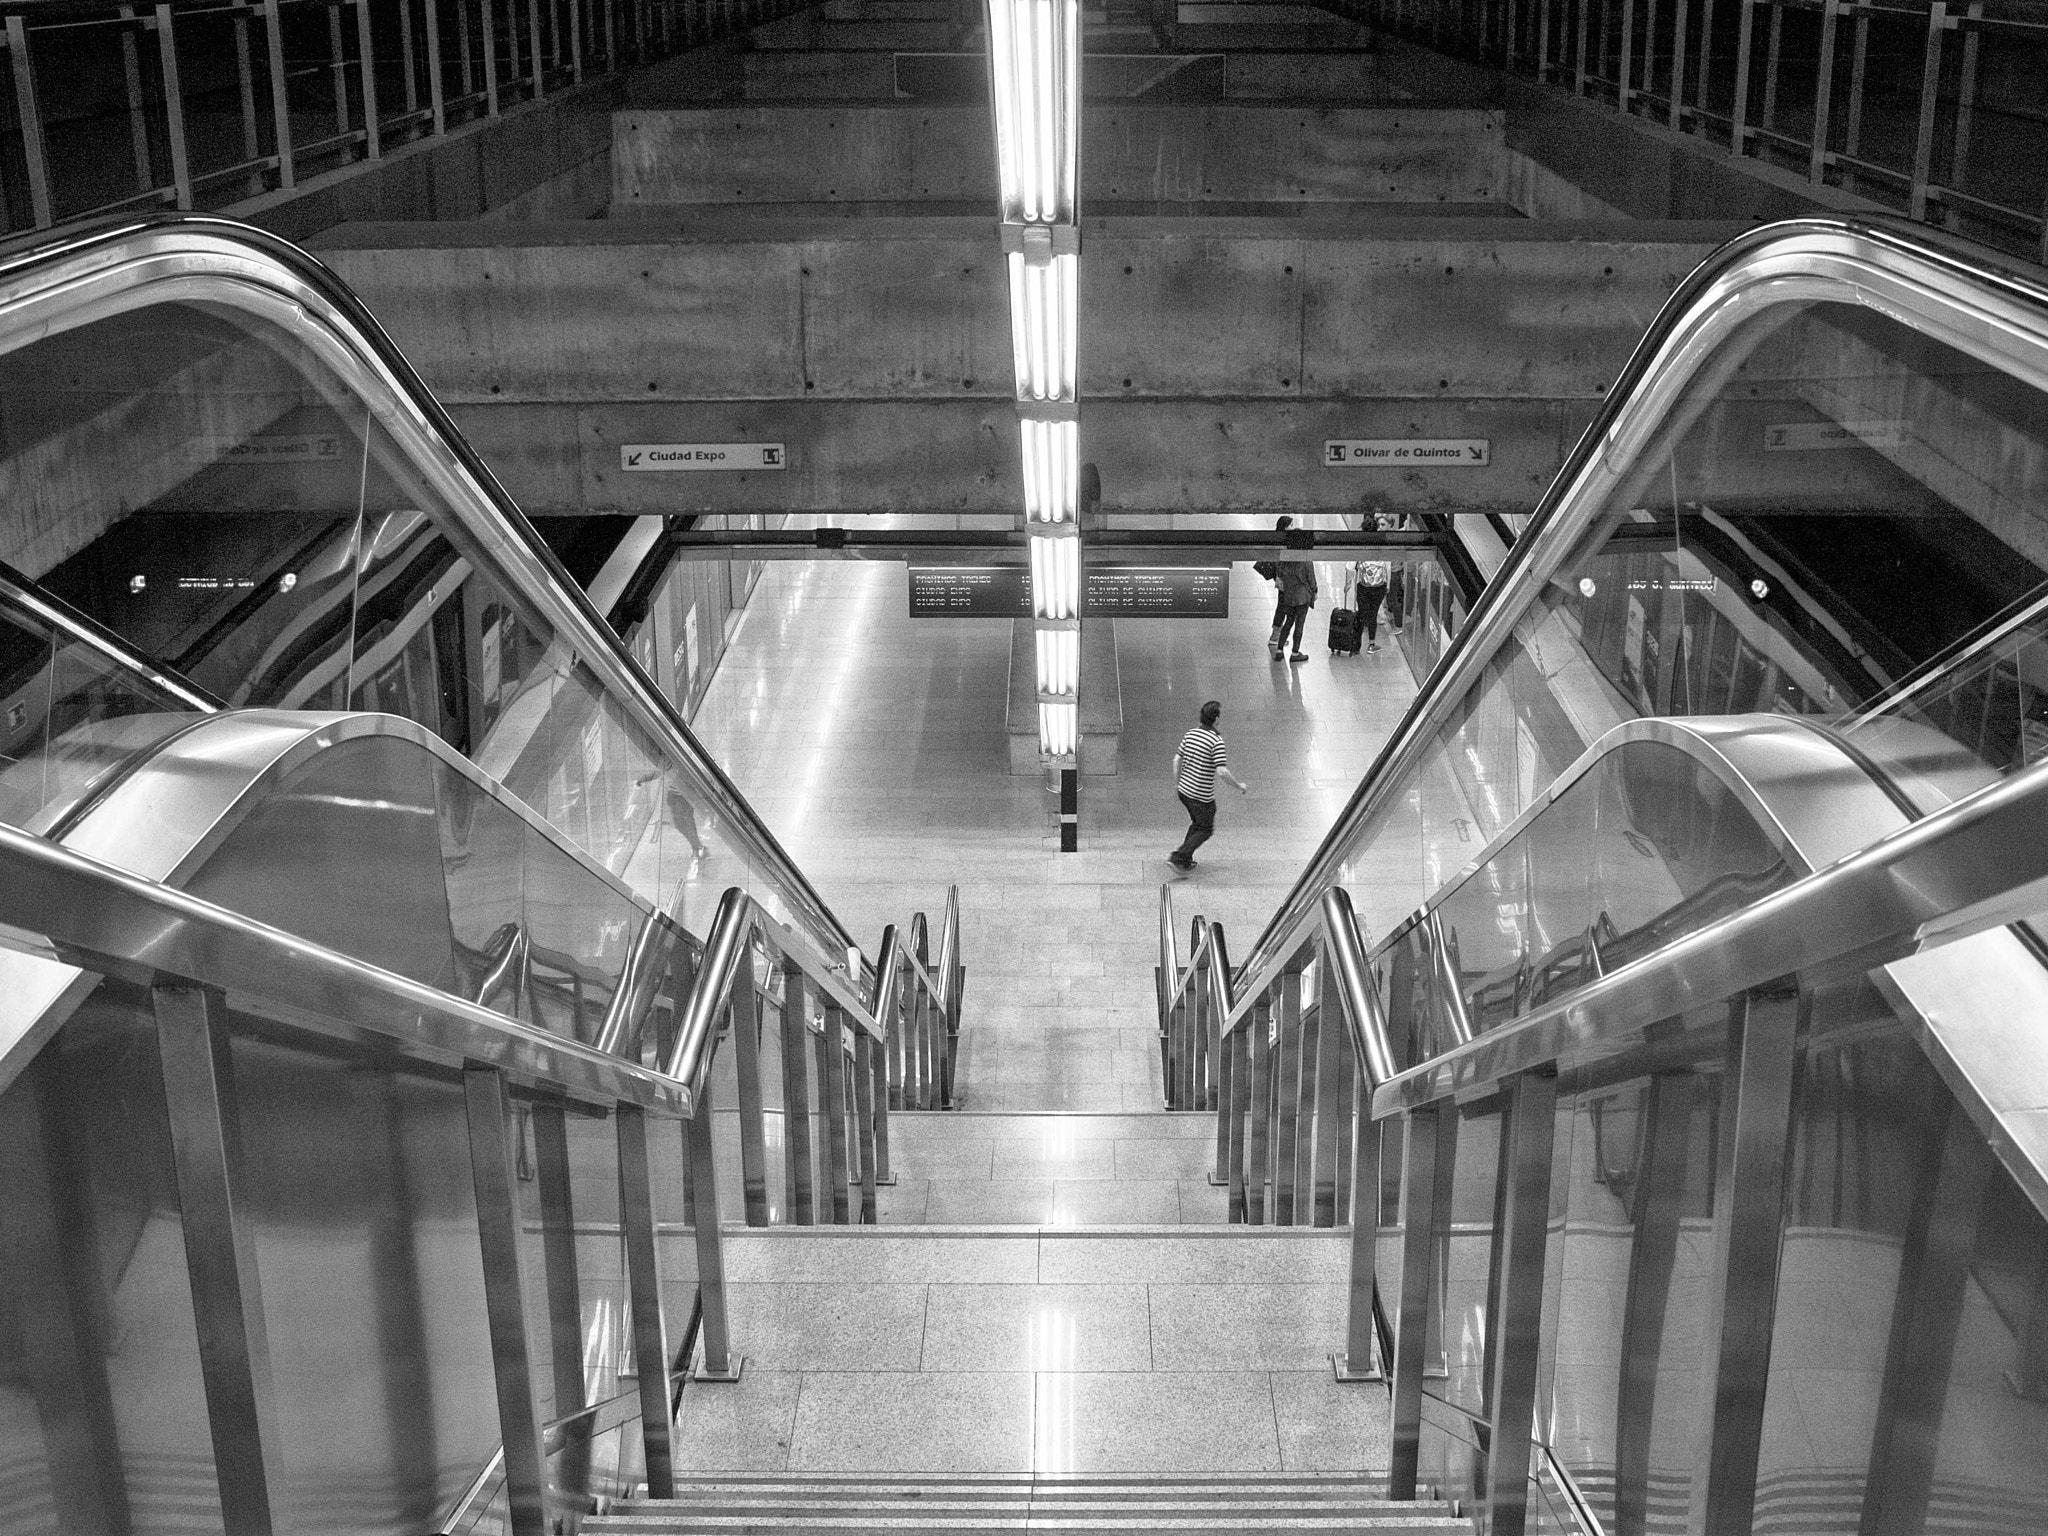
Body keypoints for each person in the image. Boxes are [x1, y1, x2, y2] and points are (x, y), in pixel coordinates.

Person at [1168, 700, 1249, 871]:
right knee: (1205, 829)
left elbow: (1176, 759)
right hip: (1201, 796)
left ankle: (1185, 860)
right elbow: (1222, 772)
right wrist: (1239, 786)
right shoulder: (1216, 741)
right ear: (1216, 719)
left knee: (1197, 824)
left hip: (1184, 791)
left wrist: (1177, 784)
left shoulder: (1191, 734)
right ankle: (1179, 857)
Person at [1272, 543, 1318, 662]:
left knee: (1288, 621)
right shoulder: (1305, 559)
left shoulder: (1285, 558)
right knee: (1299, 624)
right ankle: (1295, 652)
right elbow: (1311, 578)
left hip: (1289, 595)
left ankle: (1279, 650)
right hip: (1302, 596)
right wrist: (1315, 591)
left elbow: (1279, 574)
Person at [1352, 519, 1391, 653]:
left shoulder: (1359, 544)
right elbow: (1387, 566)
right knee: (1373, 615)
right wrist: (1388, 585)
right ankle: (1371, 644)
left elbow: (1350, 565)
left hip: (1363, 585)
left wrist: (1348, 582)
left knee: (1361, 614)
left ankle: (1355, 646)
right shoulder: (1382, 543)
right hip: (1378, 586)